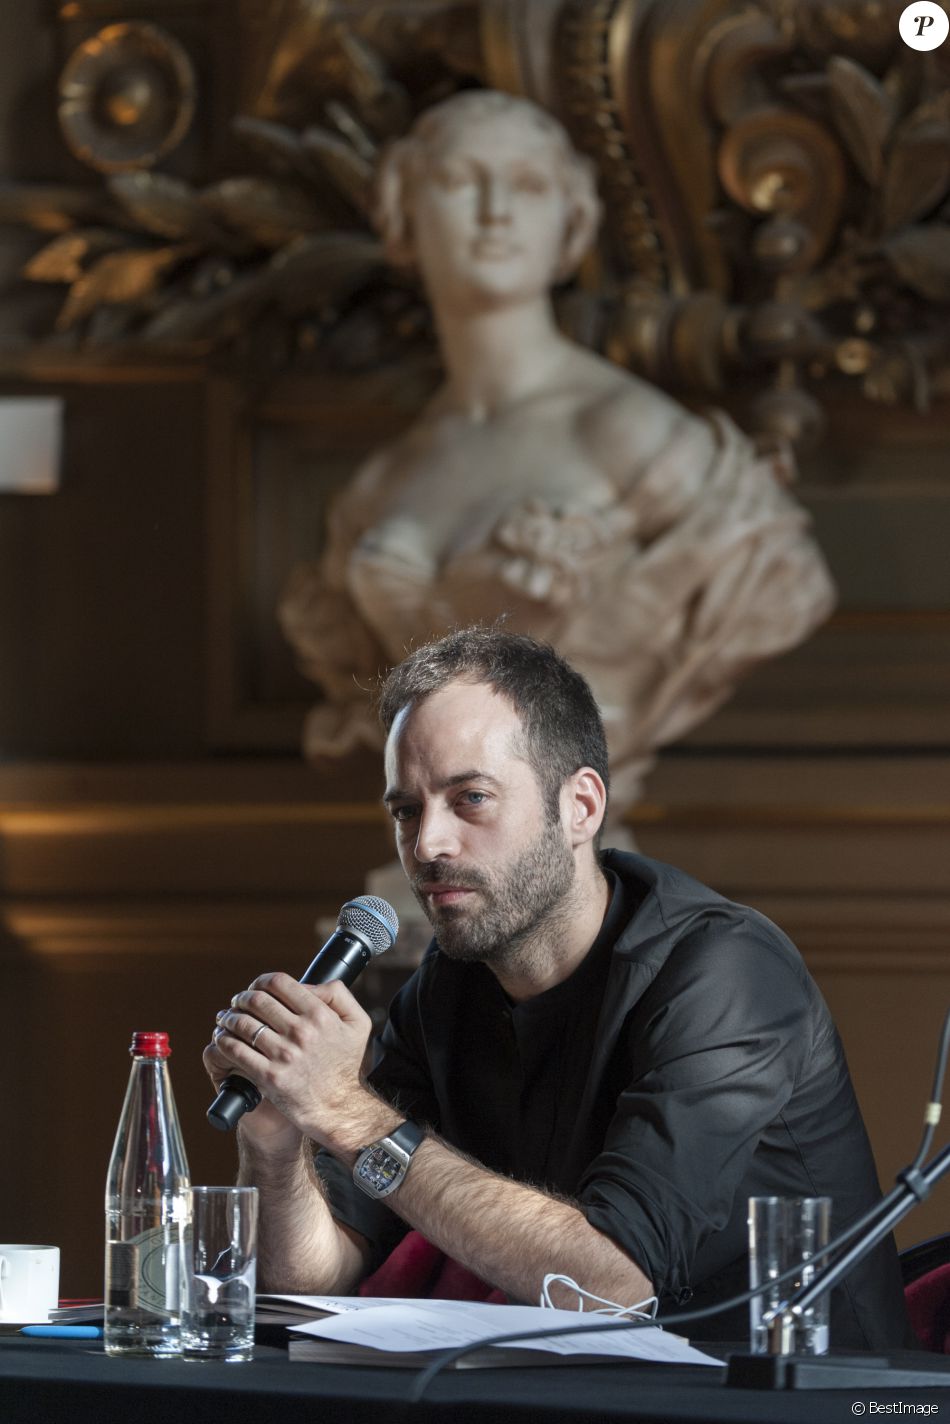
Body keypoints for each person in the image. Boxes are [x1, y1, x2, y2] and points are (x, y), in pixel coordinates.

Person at [205, 626, 909, 1349]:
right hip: (601, 1393)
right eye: (406, 811)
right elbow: (315, 1280)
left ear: (581, 807)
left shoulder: (725, 970)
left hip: (801, 1400)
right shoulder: (446, 991)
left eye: (470, 798)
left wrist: (349, 1114)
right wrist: (280, 1139)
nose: (428, 846)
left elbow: (611, 1284)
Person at [279, 88, 835, 821]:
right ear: (401, 215)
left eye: (528, 185)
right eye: (459, 181)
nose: (495, 210)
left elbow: (789, 588)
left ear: (571, 224)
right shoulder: (377, 487)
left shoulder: (638, 436)